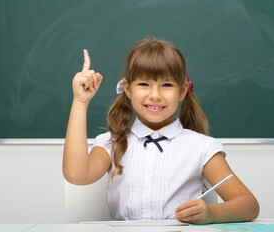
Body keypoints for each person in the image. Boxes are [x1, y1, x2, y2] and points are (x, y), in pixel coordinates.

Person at [63, 38, 259, 224]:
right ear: (127, 89)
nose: (155, 95)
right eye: (143, 84)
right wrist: (80, 102)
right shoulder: (111, 143)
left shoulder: (202, 147)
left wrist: (210, 213)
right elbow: (76, 175)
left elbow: (249, 205)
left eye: (166, 85)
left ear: (182, 91)